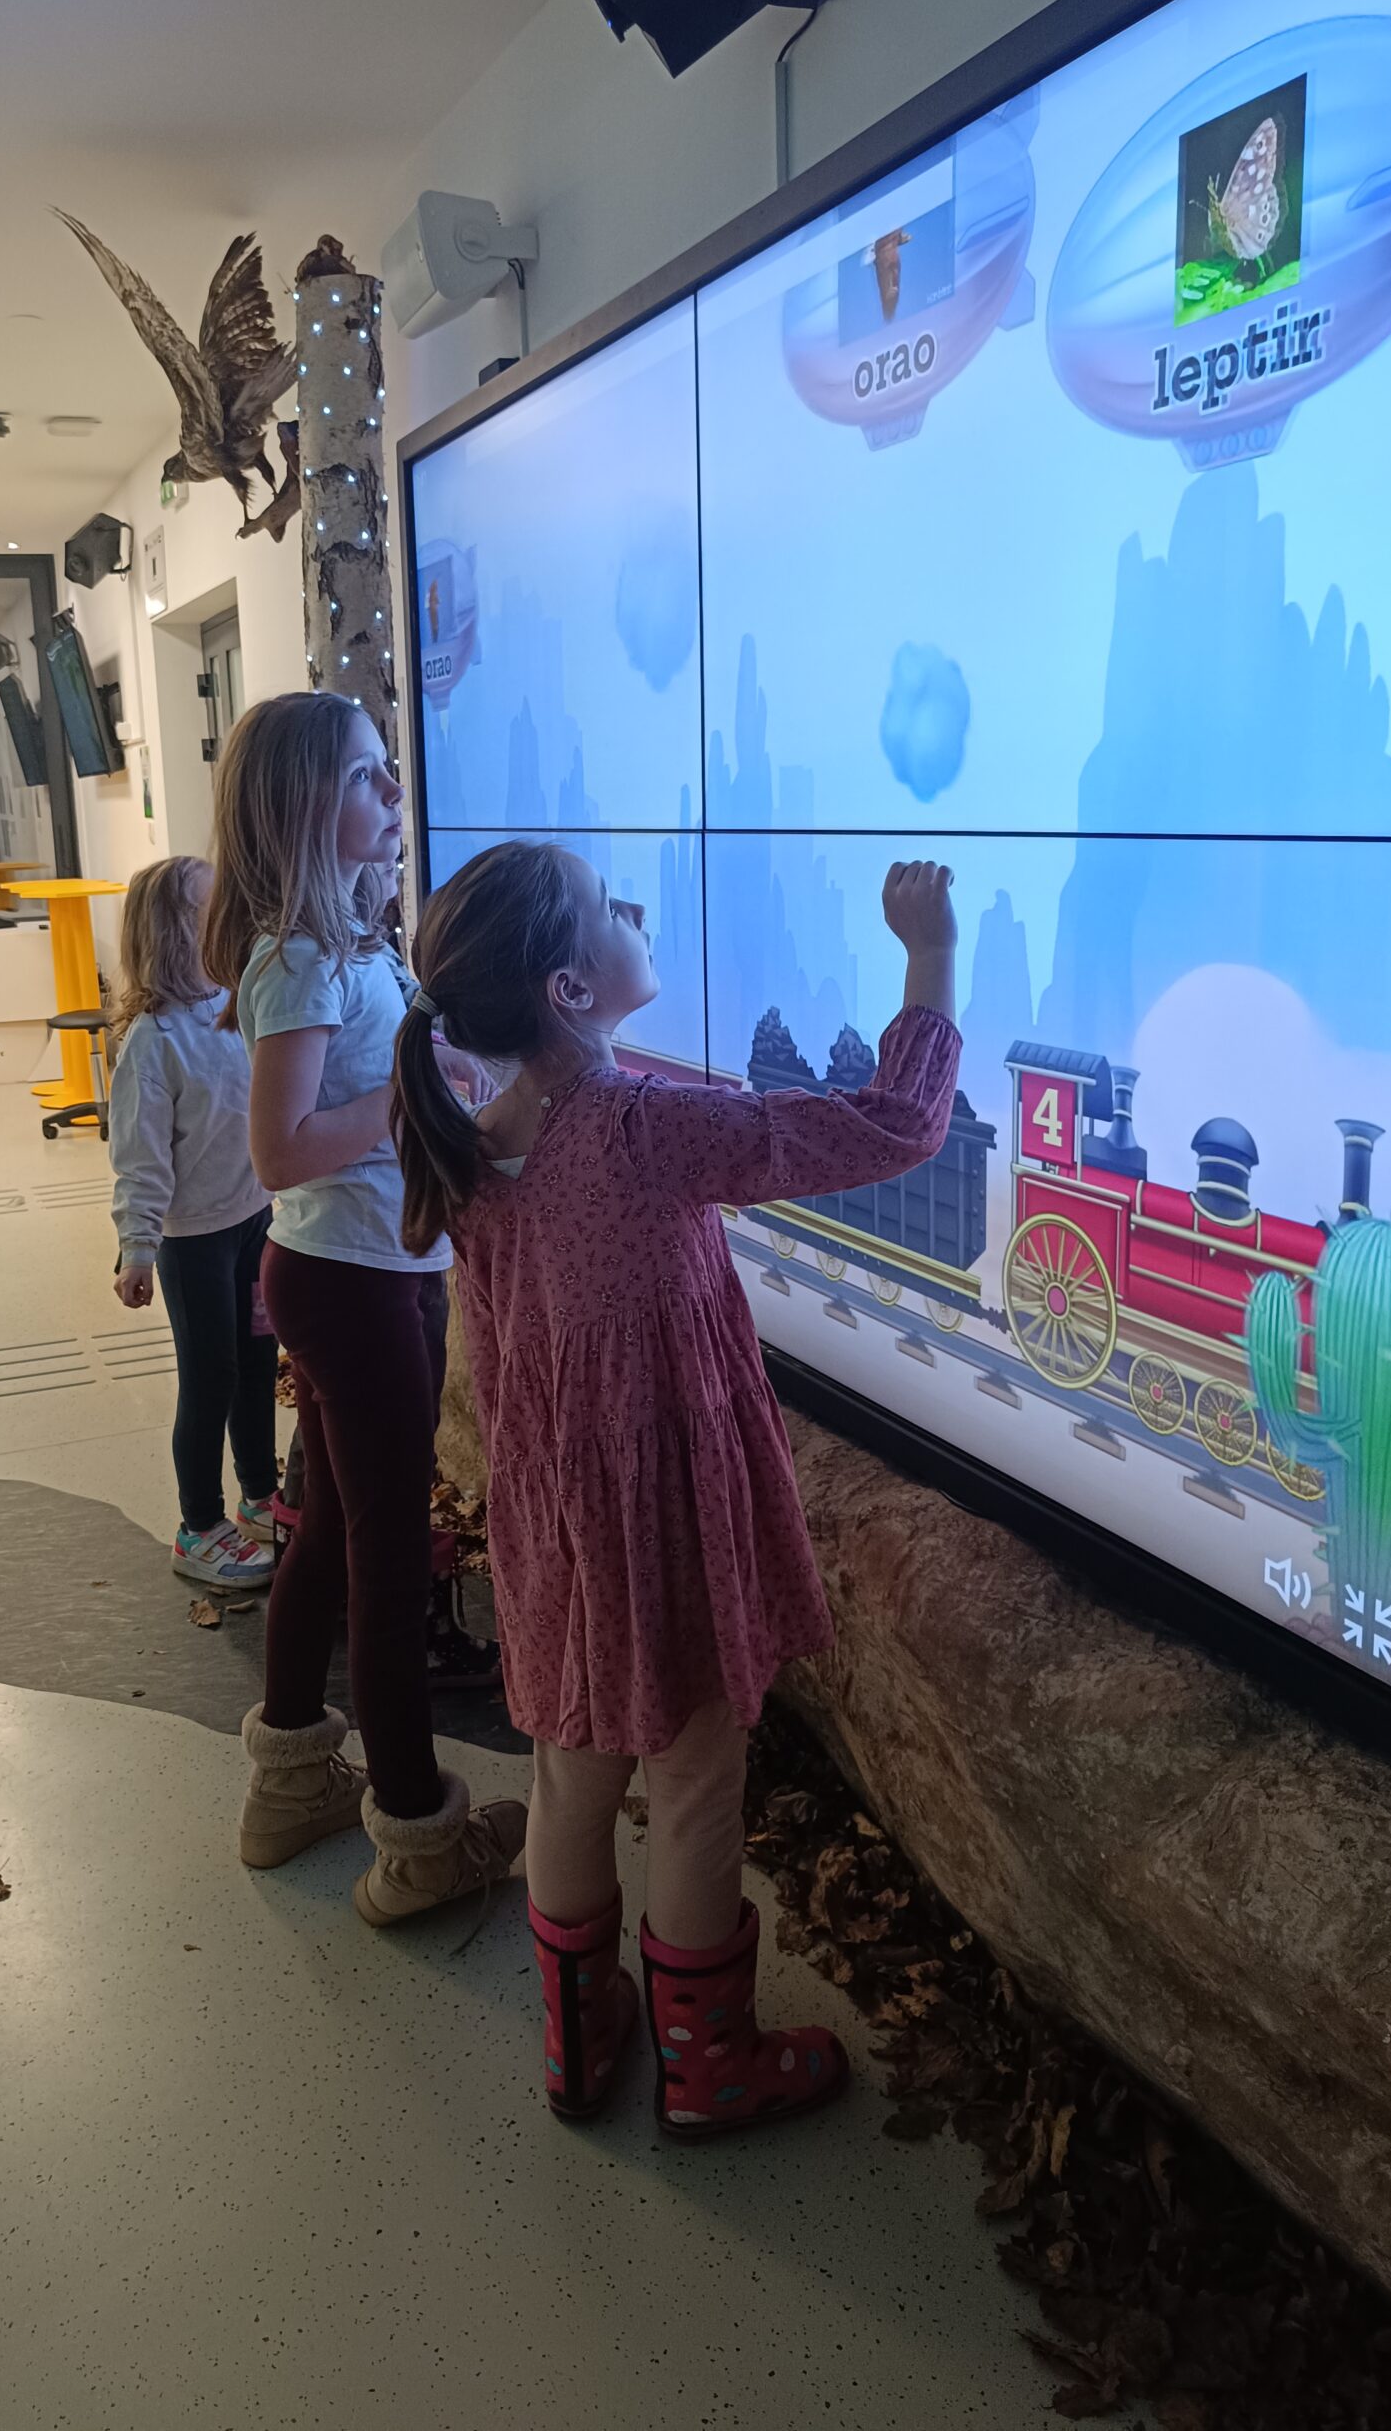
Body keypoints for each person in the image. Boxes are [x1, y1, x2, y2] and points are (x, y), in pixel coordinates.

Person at [391, 842, 962, 2133]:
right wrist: (928, 956)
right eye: (606, 909)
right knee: (698, 1774)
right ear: (569, 989)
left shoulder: (480, 1143)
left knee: (571, 1767)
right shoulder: (642, 1126)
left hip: (552, 1517)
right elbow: (894, 1127)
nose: (633, 911)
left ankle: (577, 2035)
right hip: (660, 1515)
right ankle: (709, 2066)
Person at [204, 691, 525, 1925]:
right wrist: (410, 1095)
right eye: (363, 777)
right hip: (352, 1283)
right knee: (388, 1559)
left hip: (361, 1273)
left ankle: (290, 1783)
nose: (394, 793)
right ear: (301, 806)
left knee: (334, 1529)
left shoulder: (346, 946)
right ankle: (418, 1836)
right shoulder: (296, 961)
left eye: (389, 770)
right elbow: (281, 1149)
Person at [108, 854, 281, 1589]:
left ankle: (260, 1496)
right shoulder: (153, 1041)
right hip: (193, 1241)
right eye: (211, 907)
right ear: (176, 929)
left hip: (255, 1222)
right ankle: (199, 1526)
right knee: (210, 1377)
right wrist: (137, 1246)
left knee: (258, 1364)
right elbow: (139, 1154)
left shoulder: (239, 1006)